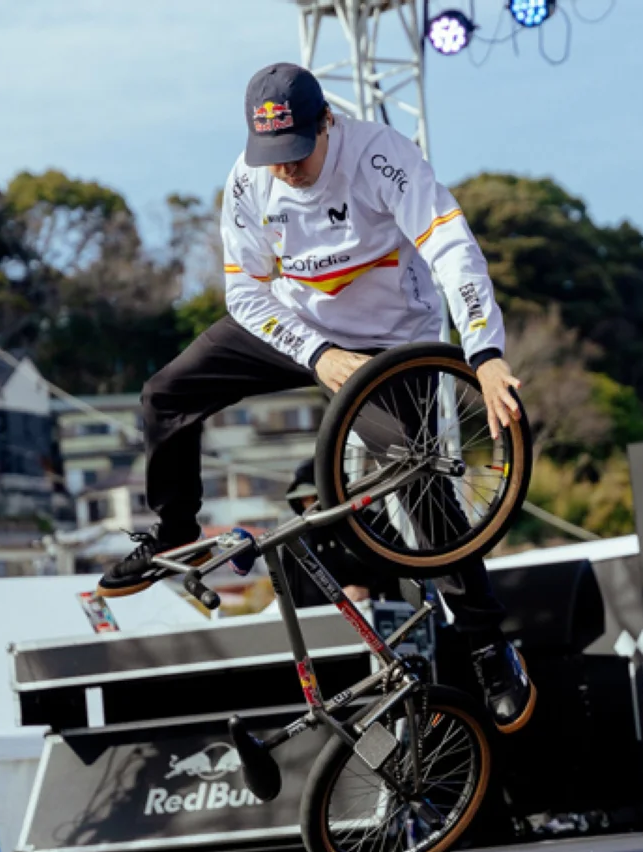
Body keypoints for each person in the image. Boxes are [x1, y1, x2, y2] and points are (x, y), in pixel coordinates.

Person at [94, 62, 535, 734]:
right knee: (166, 394)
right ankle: (176, 528)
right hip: (301, 329)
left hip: (392, 343)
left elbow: (452, 250)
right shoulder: (247, 181)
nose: (288, 170)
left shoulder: (380, 156)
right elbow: (245, 292)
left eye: (298, 154)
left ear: (328, 122)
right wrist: (319, 355)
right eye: (275, 157)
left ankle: (486, 644)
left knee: (418, 494)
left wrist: (486, 354)